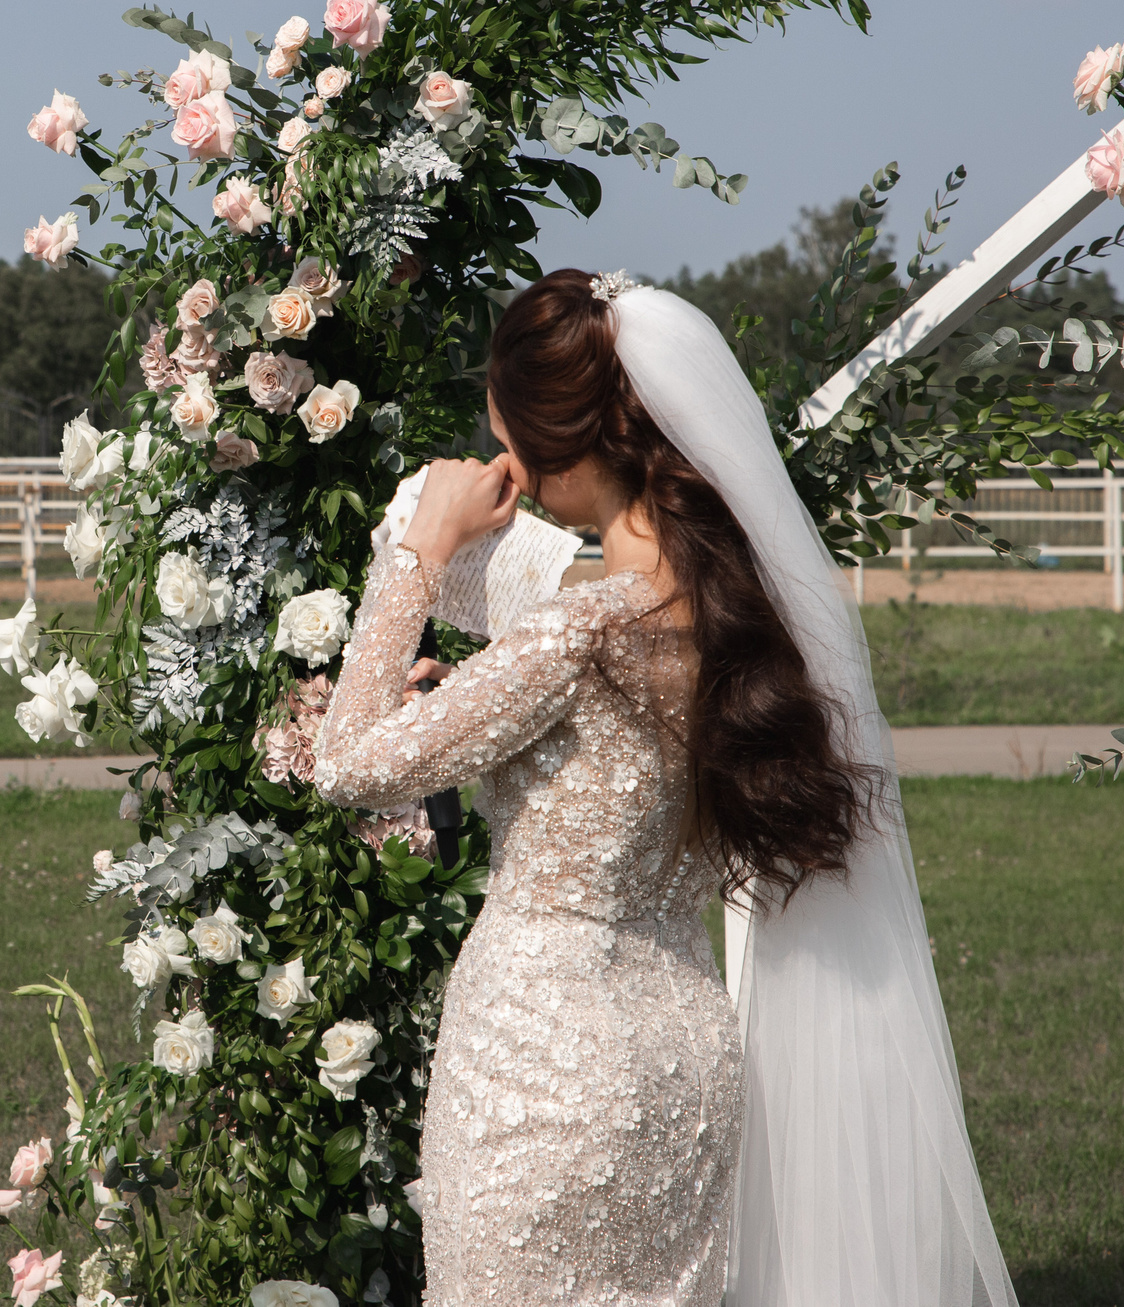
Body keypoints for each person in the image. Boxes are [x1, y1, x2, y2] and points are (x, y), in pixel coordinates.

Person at [316, 269, 1014, 1306]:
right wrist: (470, 673)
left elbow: (346, 766)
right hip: (683, 1059)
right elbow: (595, 734)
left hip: (537, 1059)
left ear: (553, 449)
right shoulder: (736, 616)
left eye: (506, 434)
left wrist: (419, 545)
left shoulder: (579, 631)